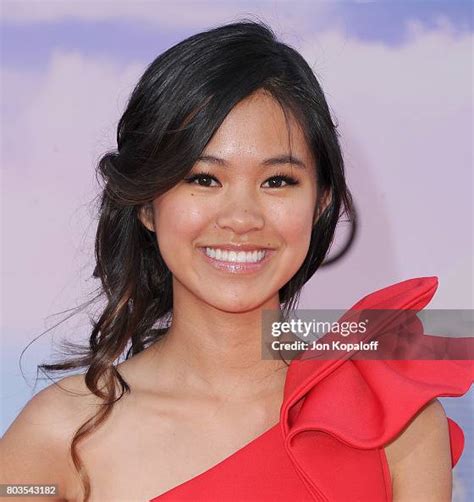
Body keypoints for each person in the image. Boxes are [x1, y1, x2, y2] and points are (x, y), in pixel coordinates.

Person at [1, 19, 472, 502]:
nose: (242, 218)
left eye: (278, 181)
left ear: (323, 201)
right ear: (146, 203)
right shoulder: (58, 438)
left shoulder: (394, 420)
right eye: (203, 178)